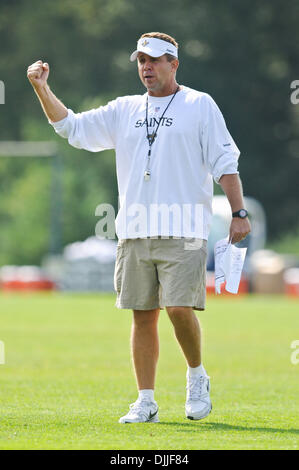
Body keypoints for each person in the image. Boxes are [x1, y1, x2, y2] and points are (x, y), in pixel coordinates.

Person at [27, 32, 251, 424]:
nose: (147, 67)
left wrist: (239, 212)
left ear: (174, 64)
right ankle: (145, 401)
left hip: (184, 229)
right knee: (142, 315)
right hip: (133, 231)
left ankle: (197, 376)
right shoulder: (124, 108)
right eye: (141, 61)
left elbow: (224, 162)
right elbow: (72, 128)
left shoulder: (200, 105)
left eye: (155, 60)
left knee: (179, 307)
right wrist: (41, 88)